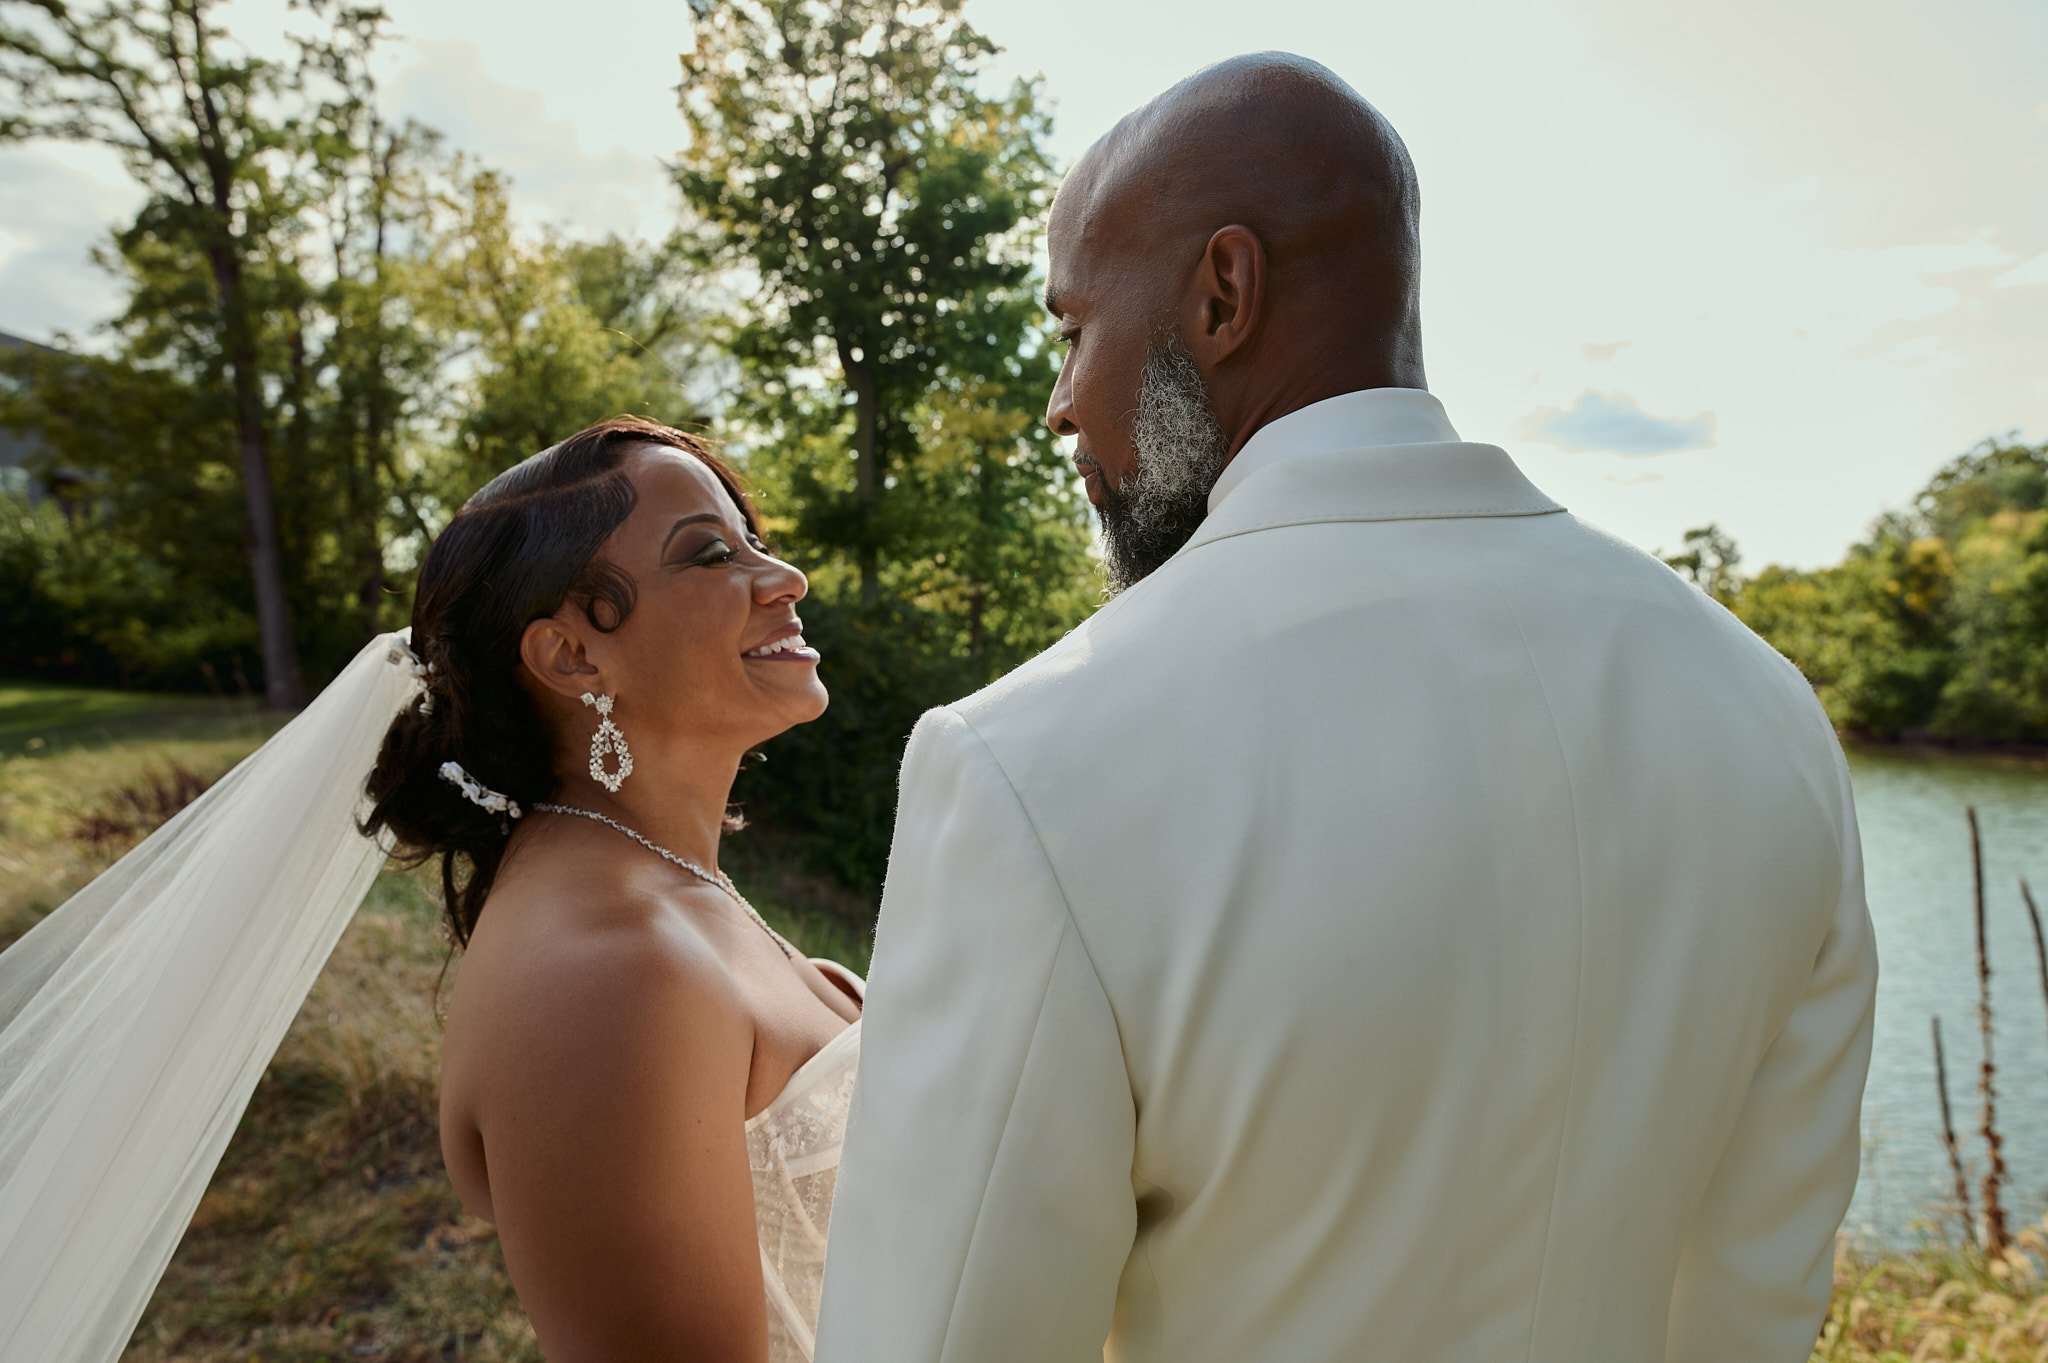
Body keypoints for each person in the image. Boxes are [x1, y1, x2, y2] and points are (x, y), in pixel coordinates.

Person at [814, 52, 1879, 1363]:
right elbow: (1757, 1299)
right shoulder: (1767, 714)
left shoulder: (1030, 762)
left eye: (1072, 328)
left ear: (1222, 293)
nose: (1060, 405)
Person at [0, 417, 862, 1363]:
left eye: (757, 544)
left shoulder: (666, 889)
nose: (785, 579)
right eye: (708, 554)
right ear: (572, 656)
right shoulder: (607, 974)